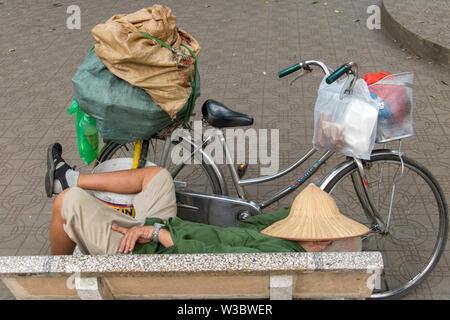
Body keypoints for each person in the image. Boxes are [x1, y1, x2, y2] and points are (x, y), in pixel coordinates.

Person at [46, 143, 367, 256]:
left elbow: (215, 255)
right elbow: (274, 217)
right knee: (157, 175)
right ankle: (69, 177)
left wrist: (155, 233)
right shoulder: (289, 237)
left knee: (68, 203)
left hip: (150, 253)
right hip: (167, 229)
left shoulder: (276, 252)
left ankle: (55, 282)